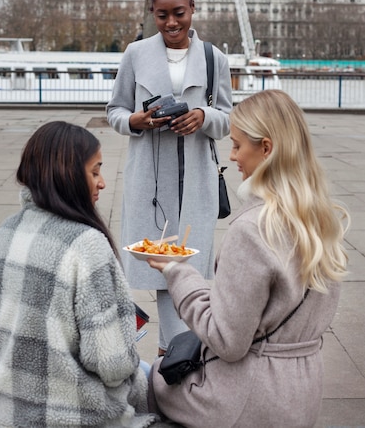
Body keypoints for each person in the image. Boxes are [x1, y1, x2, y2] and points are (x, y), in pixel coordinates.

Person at [147, 89, 350, 428]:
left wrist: (177, 272)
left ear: (266, 148)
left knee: (143, 379)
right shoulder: (320, 219)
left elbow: (228, 341)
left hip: (248, 399)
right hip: (302, 392)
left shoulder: (253, 228)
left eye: (239, 145)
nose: (233, 155)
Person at [0, 121, 156, 428]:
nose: (102, 183)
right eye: (95, 171)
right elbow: (111, 363)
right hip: (80, 415)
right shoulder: (87, 245)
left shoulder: (6, 230)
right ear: (68, 175)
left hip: (12, 410)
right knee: (160, 378)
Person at [106, 0, 233, 357]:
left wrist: (202, 116)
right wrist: (137, 122)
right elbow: (114, 111)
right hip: (150, 180)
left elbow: (227, 118)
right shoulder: (135, 54)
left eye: (179, 13)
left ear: (193, 9)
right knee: (162, 263)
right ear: (152, 14)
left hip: (196, 179)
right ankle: (173, 352)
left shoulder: (214, 58)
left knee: (192, 266)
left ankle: (182, 350)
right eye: (162, 15)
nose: (172, 23)